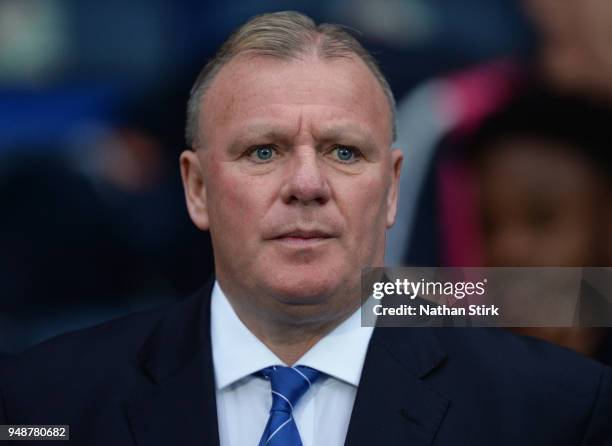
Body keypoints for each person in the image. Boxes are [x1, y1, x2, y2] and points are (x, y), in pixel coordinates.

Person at [0, 11, 611, 446]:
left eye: (344, 152)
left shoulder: (572, 400)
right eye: (263, 152)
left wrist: (571, 305)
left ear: (389, 183)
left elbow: (406, 293)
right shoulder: (39, 402)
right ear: (196, 186)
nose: (307, 182)